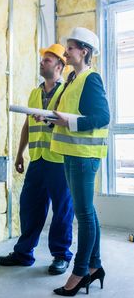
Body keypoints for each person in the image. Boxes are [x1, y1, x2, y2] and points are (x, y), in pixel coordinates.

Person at [0, 44, 74, 275]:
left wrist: (48, 120)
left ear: (60, 65)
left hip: (59, 159)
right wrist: (20, 152)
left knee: (62, 209)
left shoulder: (66, 92)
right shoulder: (34, 92)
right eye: (42, 60)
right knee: (29, 206)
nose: (42, 63)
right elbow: (27, 124)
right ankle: (24, 253)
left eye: (47, 60)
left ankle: (61, 255)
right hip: (38, 159)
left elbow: (68, 123)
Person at [50, 28, 110, 296]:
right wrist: (52, 118)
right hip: (72, 153)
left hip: (85, 157)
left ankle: (81, 270)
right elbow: (69, 114)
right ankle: (95, 266)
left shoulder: (91, 78)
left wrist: (68, 121)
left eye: (70, 47)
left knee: (83, 215)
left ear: (83, 51)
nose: (66, 52)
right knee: (87, 211)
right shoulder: (73, 80)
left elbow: (102, 117)